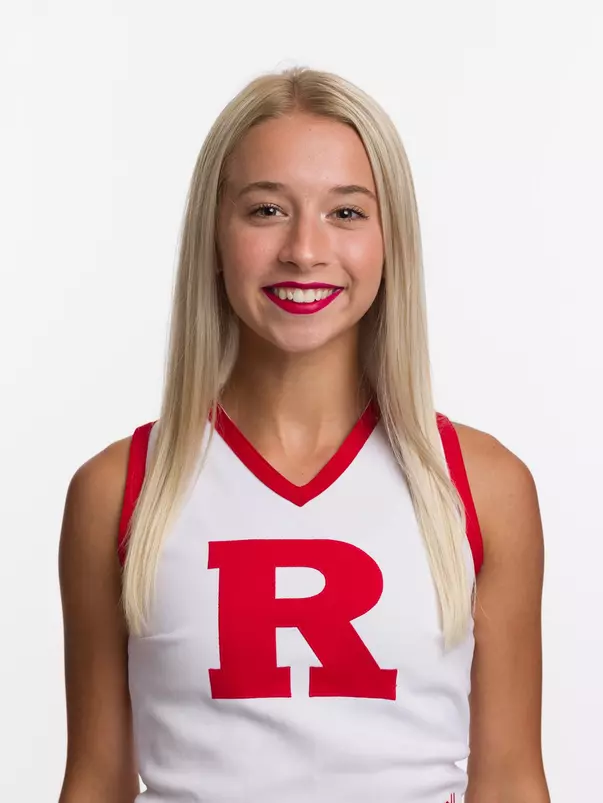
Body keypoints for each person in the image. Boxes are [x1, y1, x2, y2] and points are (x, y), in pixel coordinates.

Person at [58, 66, 550, 803]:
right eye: (265, 210)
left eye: (346, 213)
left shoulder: (482, 486)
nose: (304, 250)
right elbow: (96, 780)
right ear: (214, 235)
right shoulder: (118, 490)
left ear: (391, 240)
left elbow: (510, 780)